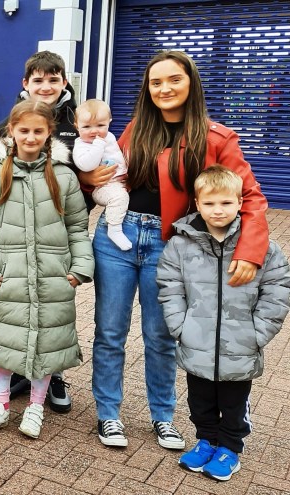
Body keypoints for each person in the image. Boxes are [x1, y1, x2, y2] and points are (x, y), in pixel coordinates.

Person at [92, 50, 269, 450]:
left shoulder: (216, 137)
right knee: (110, 333)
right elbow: (104, 176)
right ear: (147, 89)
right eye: (156, 82)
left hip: (170, 245)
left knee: (162, 336)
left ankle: (163, 416)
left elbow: (252, 199)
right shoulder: (136, 128)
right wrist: (88, 175)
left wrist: (250, 251)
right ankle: (108, 414)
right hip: (116, 236)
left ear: (191, 83)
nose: (165, 88)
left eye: (174, 79)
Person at [0, 100, 93, 439]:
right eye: (24, 130)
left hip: (54, 276)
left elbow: (78, 227)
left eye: (38, 130)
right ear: (12, 132)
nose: (31, 137)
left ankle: (36, 406)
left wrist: (79, 268)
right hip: (9, 276)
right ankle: (0, 404)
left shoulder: (64, 177)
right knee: (4, 341)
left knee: (47, 344)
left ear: (49, 132)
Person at [156, 165, 290, 481]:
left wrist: (257, 332)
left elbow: (277, 289)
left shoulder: (260, 245)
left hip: (241, 344)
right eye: (210, 203)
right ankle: (206, 441)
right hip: (195, 341)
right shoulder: (181, 243)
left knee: (233, 402)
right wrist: (180, 325)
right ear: (197, 203)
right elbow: (169, 284)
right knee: (200, 399)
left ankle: (230, 447)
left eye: (226, 203)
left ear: (240, 202)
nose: (218, 210)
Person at [0, 50, 90, 414]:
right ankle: (19, 371)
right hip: (18, 233)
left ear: (64, 81)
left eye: (53, 79)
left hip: (58, 230)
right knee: (18, 310)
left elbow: (95, 161)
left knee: (53, 313)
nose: (46, 86)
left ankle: (55, 375)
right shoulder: (7, 125)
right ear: (26, 83)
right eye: (38, 80)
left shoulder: (79, 118)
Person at [72, 99, 131, 251]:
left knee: (124, 194)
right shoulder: (82, 144)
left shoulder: (109, 137)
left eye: (100, 125)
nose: (94, 131)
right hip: (103, 187)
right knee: (119, 198)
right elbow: (86, 165)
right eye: (86, 126)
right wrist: (98, 145)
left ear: (109, 123)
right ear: (76, 126)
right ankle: (114, 229)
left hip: (119, 181)